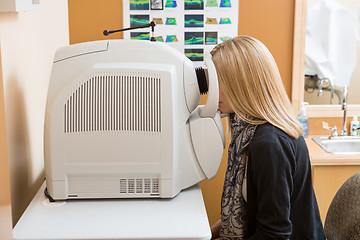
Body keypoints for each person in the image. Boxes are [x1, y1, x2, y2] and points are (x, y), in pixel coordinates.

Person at [209, 36, 326, 239]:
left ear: (243, 85)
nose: (213, 91)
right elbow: (247, 207)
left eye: (220, 82)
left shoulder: (269, 144)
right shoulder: (247, 132)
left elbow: (274, 235)